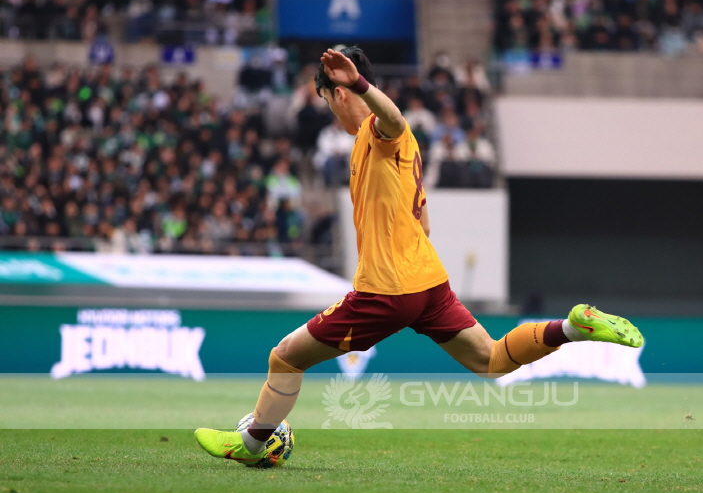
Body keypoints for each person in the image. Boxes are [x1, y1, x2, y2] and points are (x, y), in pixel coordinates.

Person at [194, 47, 644, 465]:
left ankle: (251, 443)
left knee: (286, 358)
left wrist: (361, 86)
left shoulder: (377, 132)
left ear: (339, 93)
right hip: (428, 283)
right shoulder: (403, 154)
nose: (331, 109)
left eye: (329, 99)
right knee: (490, 360)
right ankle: (573, 327)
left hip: (386, 290)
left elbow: (393, 120)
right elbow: (423, 224)